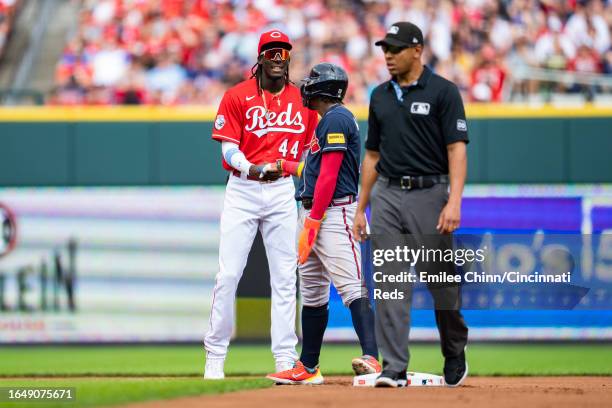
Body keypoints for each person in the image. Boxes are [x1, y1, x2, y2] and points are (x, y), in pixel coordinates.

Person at [352, 22, 470, 387]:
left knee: (441, 282)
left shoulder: (443, 91)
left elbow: (456, 149)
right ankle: (393, 366)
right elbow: (371, 154)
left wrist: (454, 201)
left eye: (396, 48)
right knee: (389, 281)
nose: (388, 54)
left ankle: (454, 350)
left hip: (429, 193)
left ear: (417, 50)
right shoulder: (380, 95)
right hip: (386, 193)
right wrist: (361, 207)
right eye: (385, 48)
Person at [204, 30, 319, 379]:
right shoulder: (237, 95)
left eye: (283, 52)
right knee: (228, 275)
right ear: (259, 59)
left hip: (282, 190)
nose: (278, 58)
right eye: (271, 52)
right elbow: (227, 149)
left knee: (286, 277)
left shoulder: (303, 101)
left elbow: (312, 151)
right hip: (243, 189)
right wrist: (251, 167)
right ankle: (215, 356)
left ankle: (285, 359)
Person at [265, 63, 380, 385]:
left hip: (332, 213)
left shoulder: (338, 118)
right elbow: (317, 172)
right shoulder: (326, 120)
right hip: (315, 211)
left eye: (312, 83)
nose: (306, 88)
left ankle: (372, 356)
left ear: (325, 90)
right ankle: (308, 366)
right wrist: (287, 166)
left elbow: (330, 174)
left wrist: (314, 220)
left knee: (352, 287)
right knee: (313, 293)